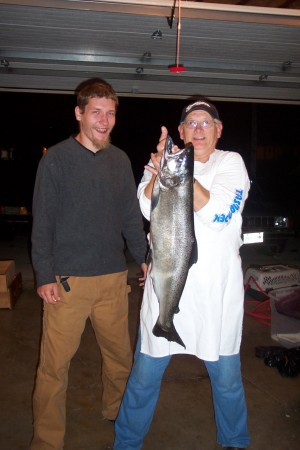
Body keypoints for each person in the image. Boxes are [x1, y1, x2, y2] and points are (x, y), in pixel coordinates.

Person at [114, 99, 251, 450]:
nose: (199, 129)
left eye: (207, 122)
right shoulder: (161, 164)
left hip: (216, 299)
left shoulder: (230, 163)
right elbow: (145, 205)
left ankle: (235, 443)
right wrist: (159, 168)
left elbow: (221, 213)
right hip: (165, 291)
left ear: (219, 130)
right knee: (143, 380)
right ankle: (126, 444)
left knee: (227, 383)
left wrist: (176, 173)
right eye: (192, 123)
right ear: (181, 131)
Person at [30, 78, 148, 450]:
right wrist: (44, 275)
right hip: (67, 284)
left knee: (120, 359)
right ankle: (47, 441)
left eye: (111, 113)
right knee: (53, 368)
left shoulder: (120, 160)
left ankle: (116, 412)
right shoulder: (57, 159)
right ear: (79, 113)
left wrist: (145, 260)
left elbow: (131, 217)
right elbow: (43, 221)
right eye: (96, 111)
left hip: (113, 280)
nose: (104, 120)